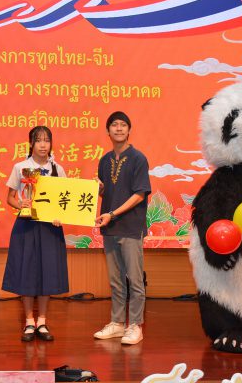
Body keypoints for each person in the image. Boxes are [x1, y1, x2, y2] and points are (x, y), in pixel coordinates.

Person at [2, 126, 69, 342]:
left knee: (47, 272)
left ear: (51, 144)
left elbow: (65, 201)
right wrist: (20, 204)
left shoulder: (58, 169)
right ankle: (29, 321)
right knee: (27, 271)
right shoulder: (21, 167)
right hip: (26, 225)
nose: (43, 145)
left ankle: (42, 321)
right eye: (38, 140)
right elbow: (10, 198)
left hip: (50, 228)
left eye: (46, 140)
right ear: (31, 143)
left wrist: (60, 215)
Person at [94, 111, 151, 345]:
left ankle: (135, 325)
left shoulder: (138, 158)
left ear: (129, 130)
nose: (118, 128)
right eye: (114, 125)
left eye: (123, 125)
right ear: (107, 131)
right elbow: (110, 192)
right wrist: (99, 191)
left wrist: (113, 214)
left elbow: (139, 195)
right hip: (110, 228)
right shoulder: (104, 161)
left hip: (130, 227)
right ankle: (117, 323)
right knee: (116, 280)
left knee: (135, 280)